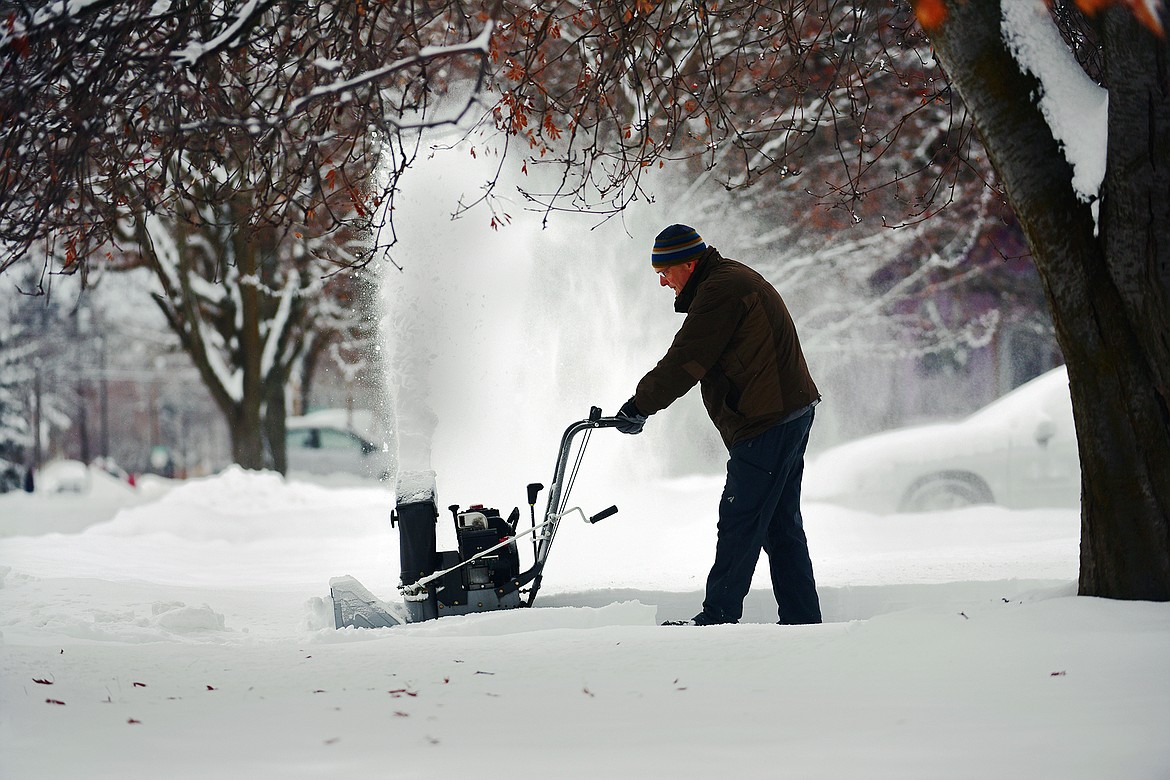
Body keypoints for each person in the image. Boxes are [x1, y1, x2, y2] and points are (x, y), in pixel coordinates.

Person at [615, 224, 822, 626]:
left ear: (689, 265)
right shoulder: (727, 279)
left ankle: (718, 617)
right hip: (785, 413)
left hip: (767, 420)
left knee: (740, 520)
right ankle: (802, 621)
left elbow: (687, 360)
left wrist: (640, 405)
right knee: (780, 527)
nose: (661, 281)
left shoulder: (721, 291)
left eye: (665, 271)